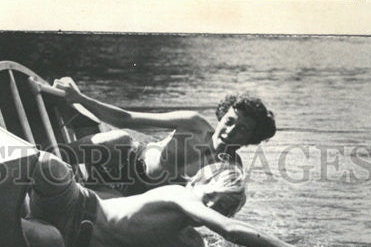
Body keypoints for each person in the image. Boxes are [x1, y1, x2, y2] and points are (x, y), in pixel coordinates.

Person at [20, 150, 337, 247]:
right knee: (50, 165)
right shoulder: (179, 195)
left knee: (45, 242)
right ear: (199, 182)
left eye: (226, 208)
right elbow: (229, 231)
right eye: (216, 199)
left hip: (66, 245)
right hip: (74, 202)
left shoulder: (190, 243)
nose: (215, 209)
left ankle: (15, 220)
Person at [51, 76, 276, 194]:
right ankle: (41, 160)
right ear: (222, 117)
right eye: (229, 121)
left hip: (137, 197)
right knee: (117, 139)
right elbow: (126, 119)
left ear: (249, 139)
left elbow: (211, 211)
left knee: (103, 206)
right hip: (127, 158)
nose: (230, 131)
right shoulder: (193, 124)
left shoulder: (230, 170)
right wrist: (80, 99)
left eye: (242, 130)